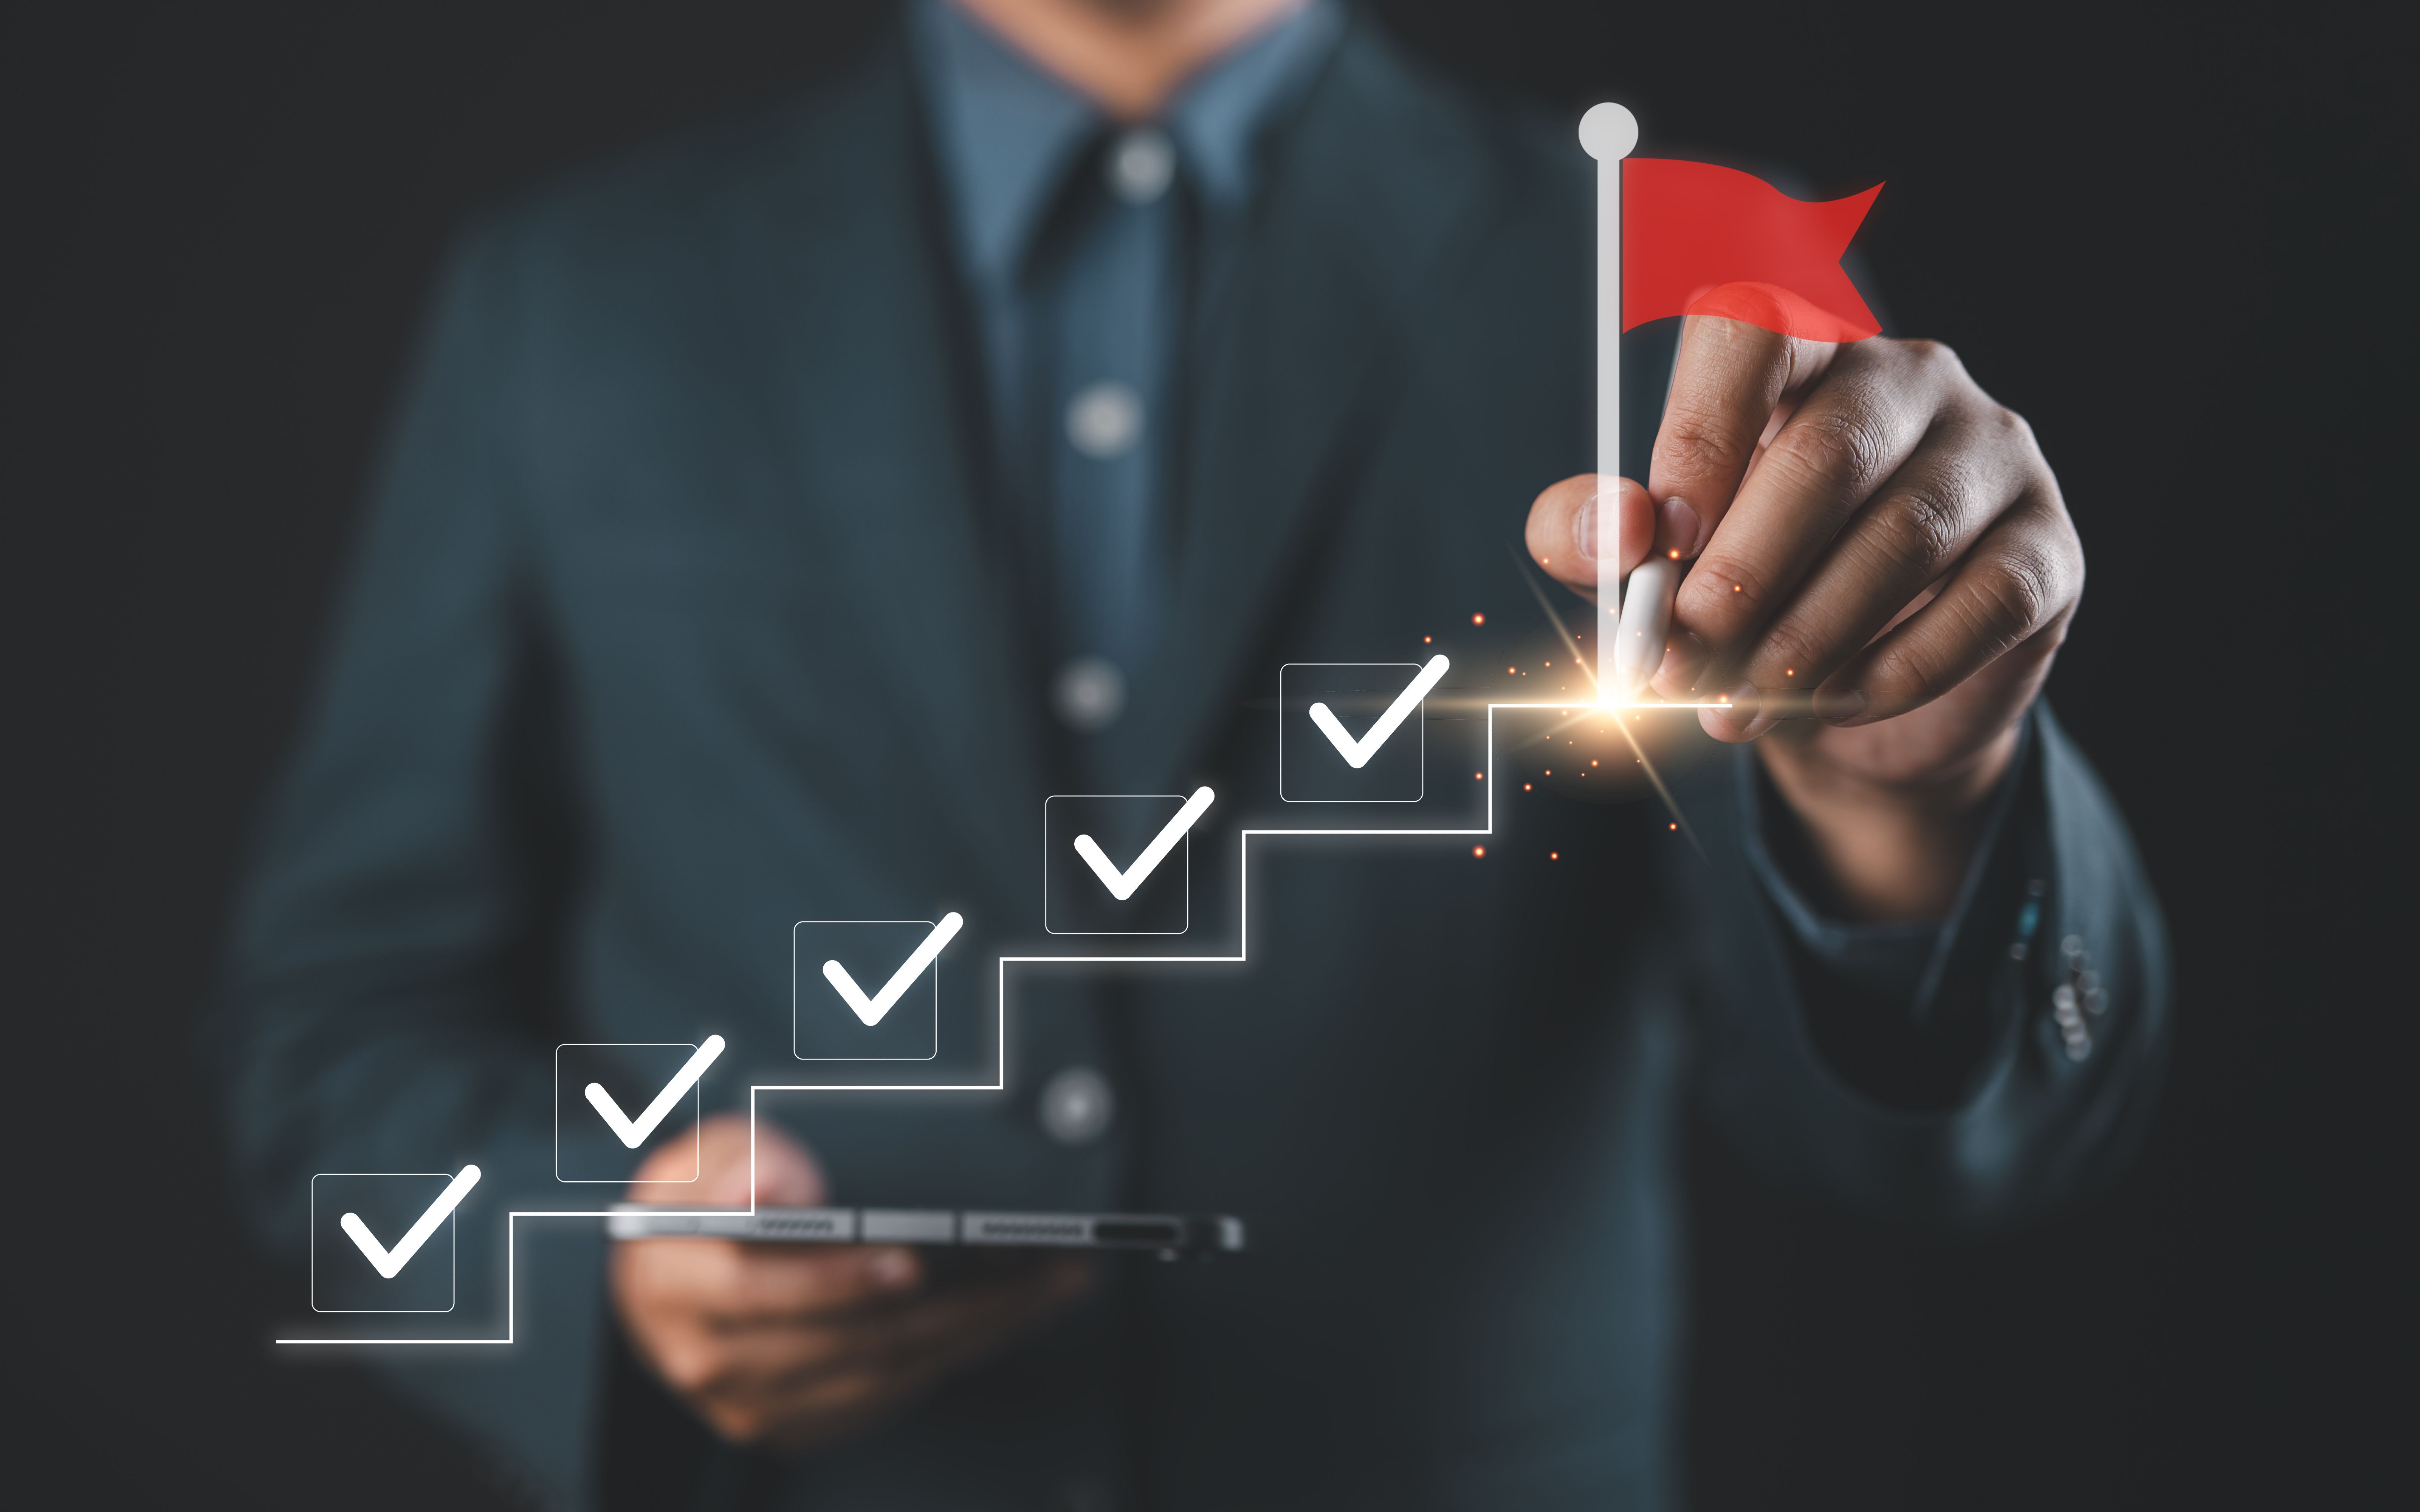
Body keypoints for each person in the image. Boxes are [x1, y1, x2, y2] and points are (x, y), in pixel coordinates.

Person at [210, 0, 2170, 1506]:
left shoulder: (1678, 313)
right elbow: (333, 1035)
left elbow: (1943, 1141)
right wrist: (596, 1280)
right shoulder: (571, 302)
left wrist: (1913, 804)